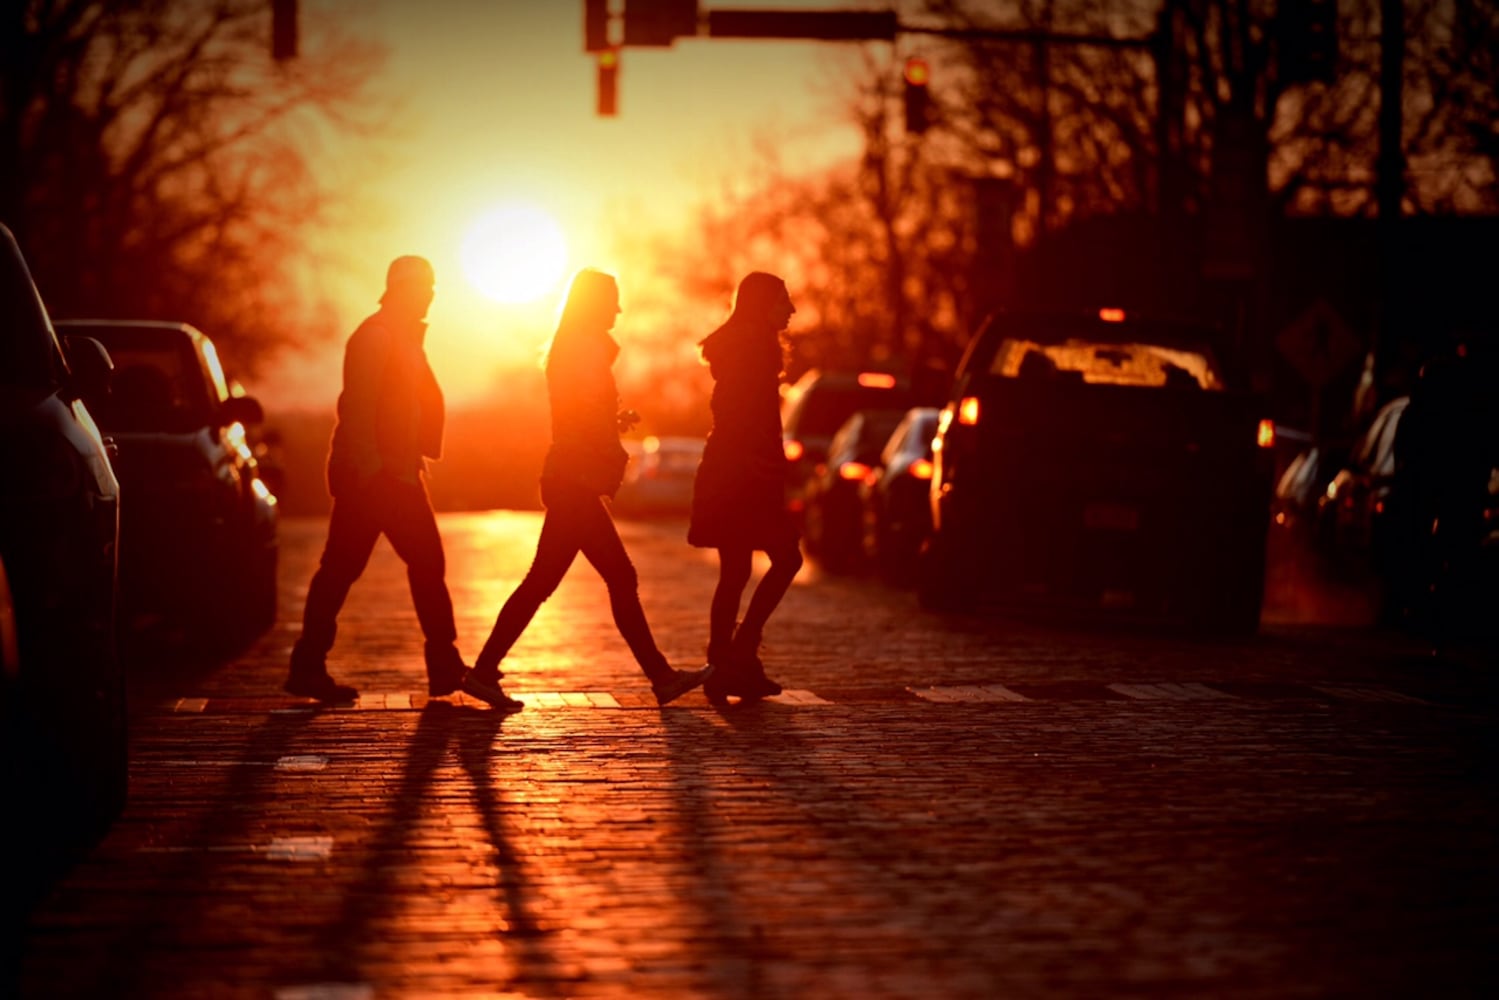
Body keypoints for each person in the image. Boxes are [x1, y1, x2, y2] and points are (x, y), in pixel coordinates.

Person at [461, 269, 710, 708]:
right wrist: (608, 447)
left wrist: (610, 426)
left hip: (569, 479)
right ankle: (660, 677)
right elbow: (581, 421)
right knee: (604, 577)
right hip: (574, 482)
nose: (618, 309)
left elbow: (577, 416)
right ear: (593, 303)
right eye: (611, 300)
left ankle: (484, 671)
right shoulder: (582, 351)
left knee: (551, 581)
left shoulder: (575, 349)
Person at [285, 256, 515, 708]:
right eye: (426, 285)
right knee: (412, 564)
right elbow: (357, 410)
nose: (432, 293)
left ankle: (309, 666)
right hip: (379, 478)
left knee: (346, 571)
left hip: (392, 473)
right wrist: (374, 473)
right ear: (403, 288)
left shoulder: (402, 336)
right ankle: (442, 663)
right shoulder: (376, 336)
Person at [688, 272, 803, 704]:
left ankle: (727, 665)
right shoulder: (753, 352)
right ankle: (740, 653)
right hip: (746, 477)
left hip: (732, 473)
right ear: (762, 305)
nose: (790, 310)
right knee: (787, 558)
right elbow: (741, 417)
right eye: (783, 301)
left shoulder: (746, 349)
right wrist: (765, 464)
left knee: (735, 572)